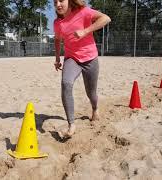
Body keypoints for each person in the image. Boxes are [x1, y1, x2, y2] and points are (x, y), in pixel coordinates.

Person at [53, 0, 111, 138]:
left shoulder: (83, 12)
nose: (58, 5)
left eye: (61, 0)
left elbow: (106, 18)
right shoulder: (58, 23)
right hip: (72, 59)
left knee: (91, 93)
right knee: (66, 83)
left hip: (90, 58)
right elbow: (57, 39)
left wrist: (85, 31)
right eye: (55, 2)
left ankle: (95, 108)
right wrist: (57, 59)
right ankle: (71, 124)